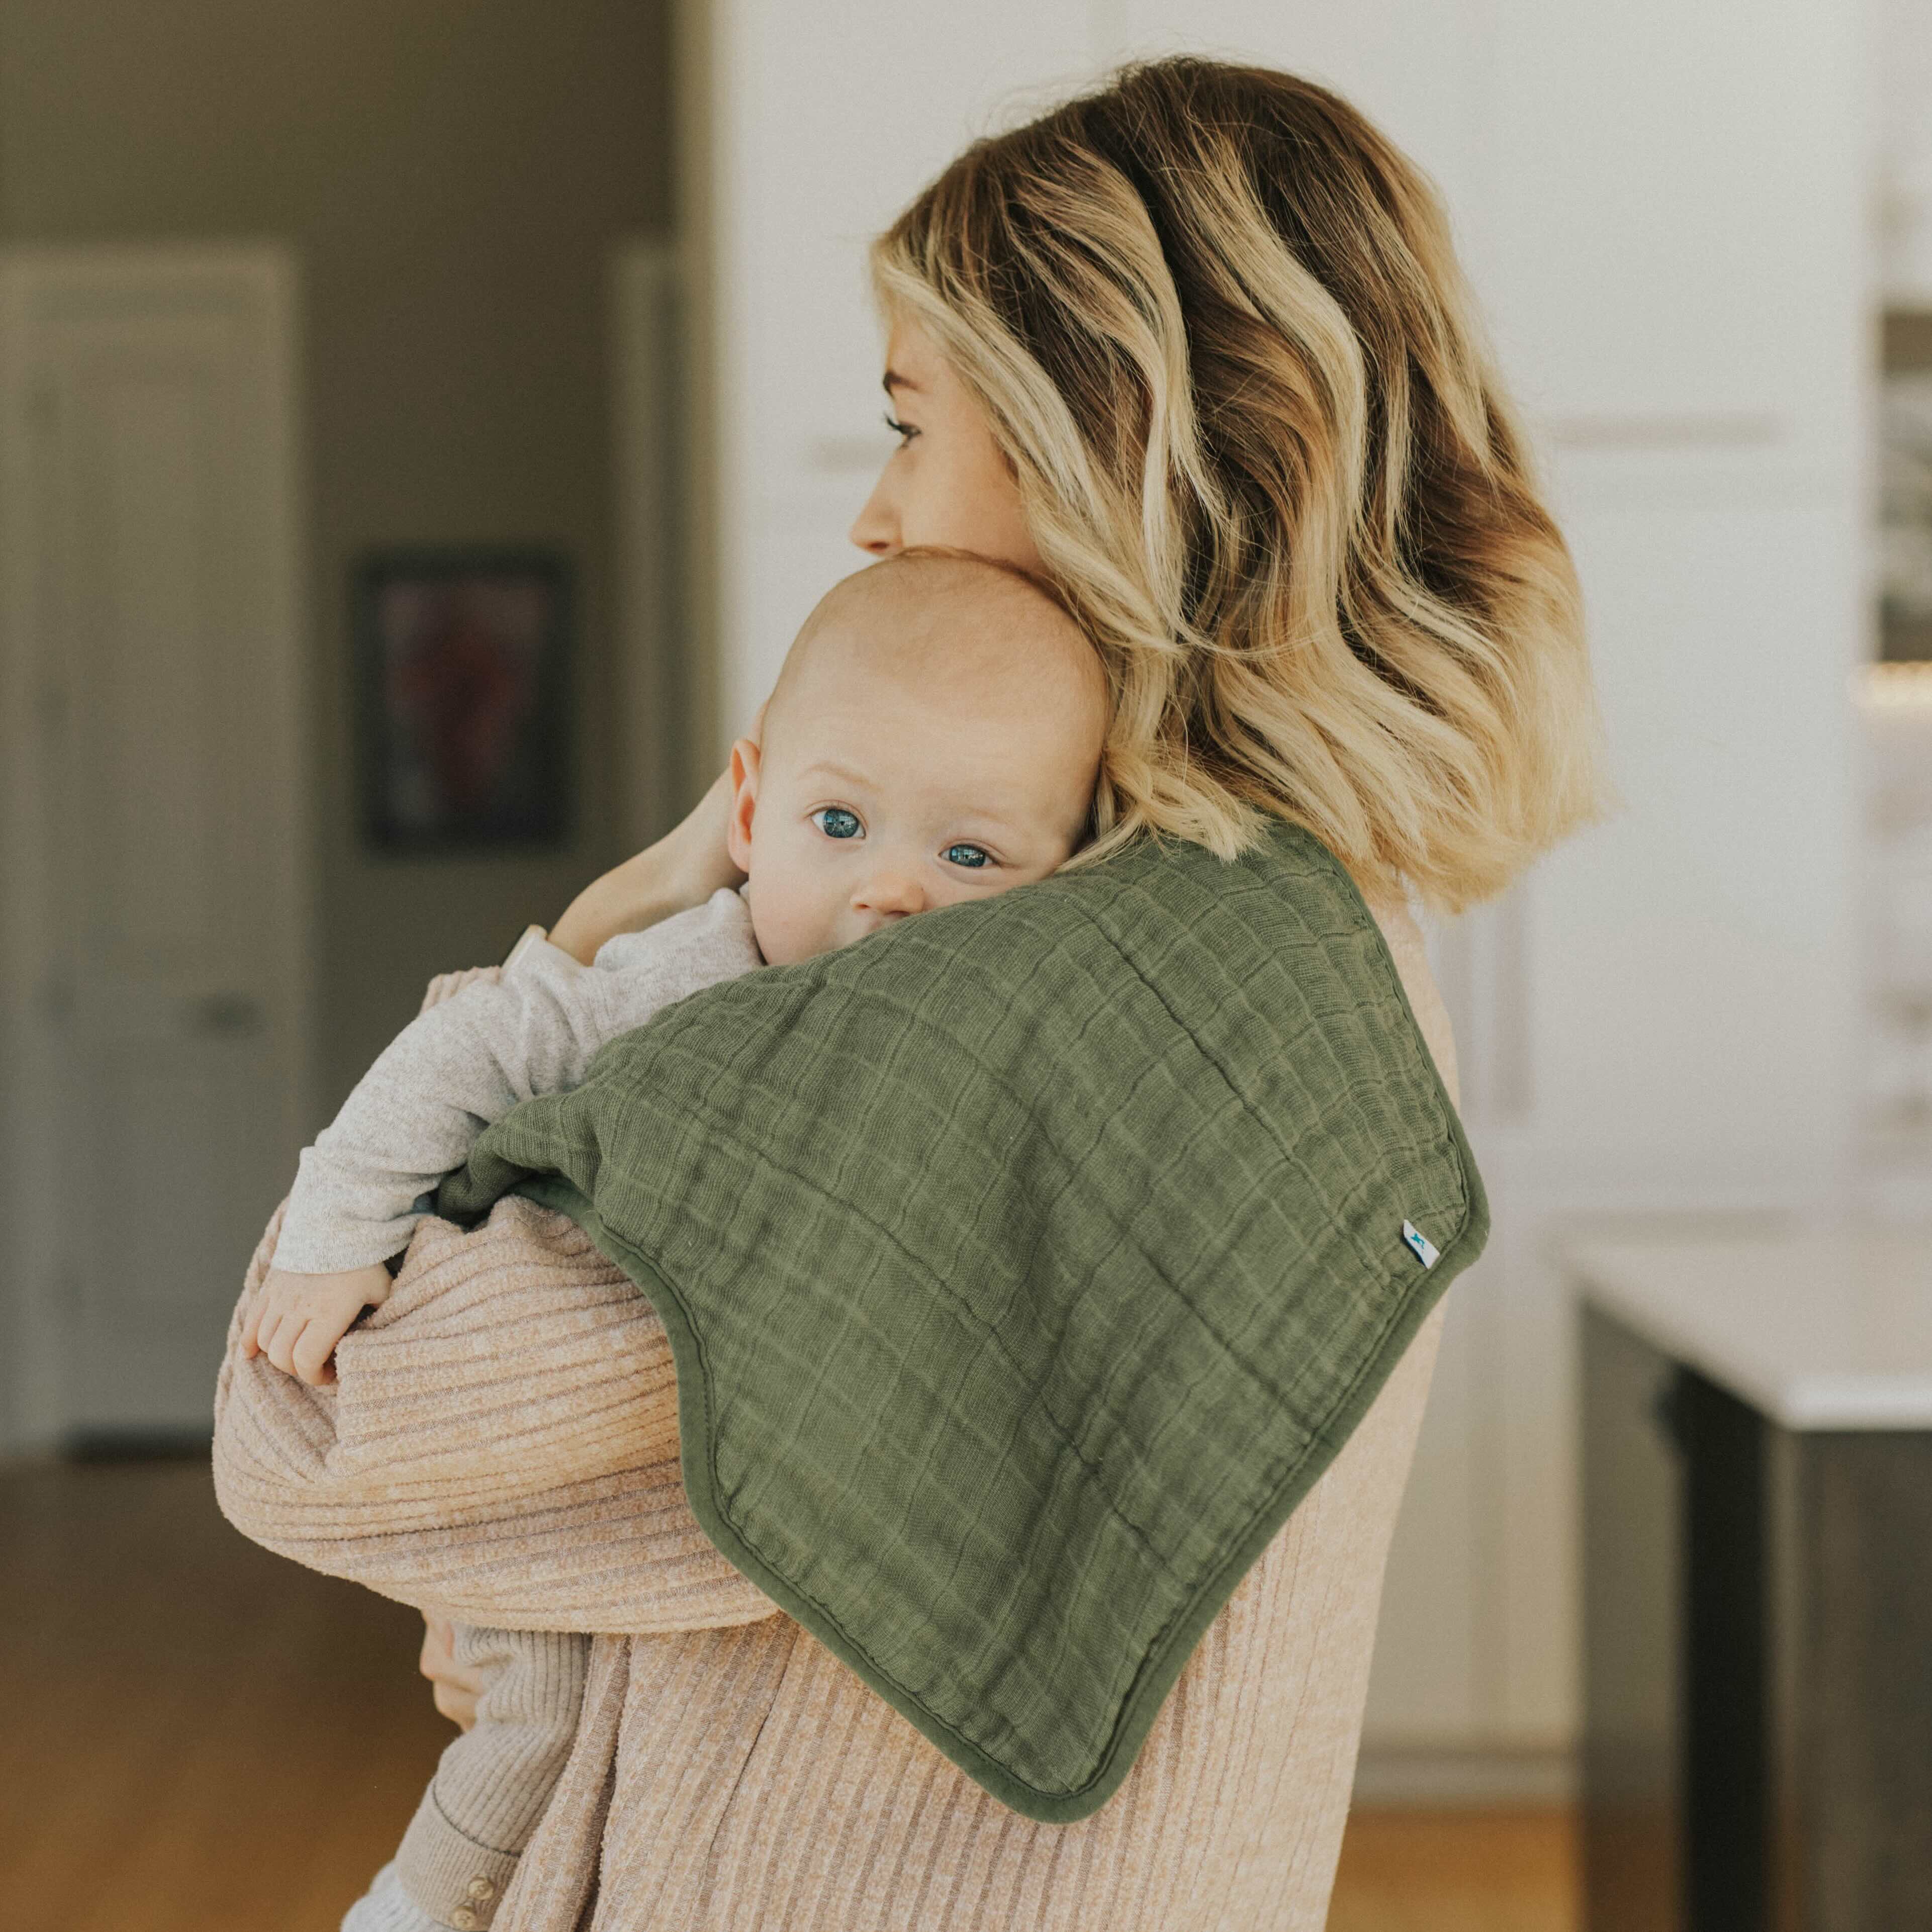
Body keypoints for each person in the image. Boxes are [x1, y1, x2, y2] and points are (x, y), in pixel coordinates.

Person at [215, 56, 1601, 1932]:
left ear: (1107, 438)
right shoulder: (1305, 931)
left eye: (907, 423)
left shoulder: (1029, 987)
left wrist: (602, 933)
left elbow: (316, 1429)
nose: (876, 515)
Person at [238, 548, 1107, 1932]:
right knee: (535, 1715)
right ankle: (415, 1908)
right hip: (531, 1408)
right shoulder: (687, 974)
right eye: (840, 823)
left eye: (970, 856)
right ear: (749, 811)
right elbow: (469, 1048)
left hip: (708, 1510)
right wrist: (338, 1231)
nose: (891, 891)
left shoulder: (982, 1046)